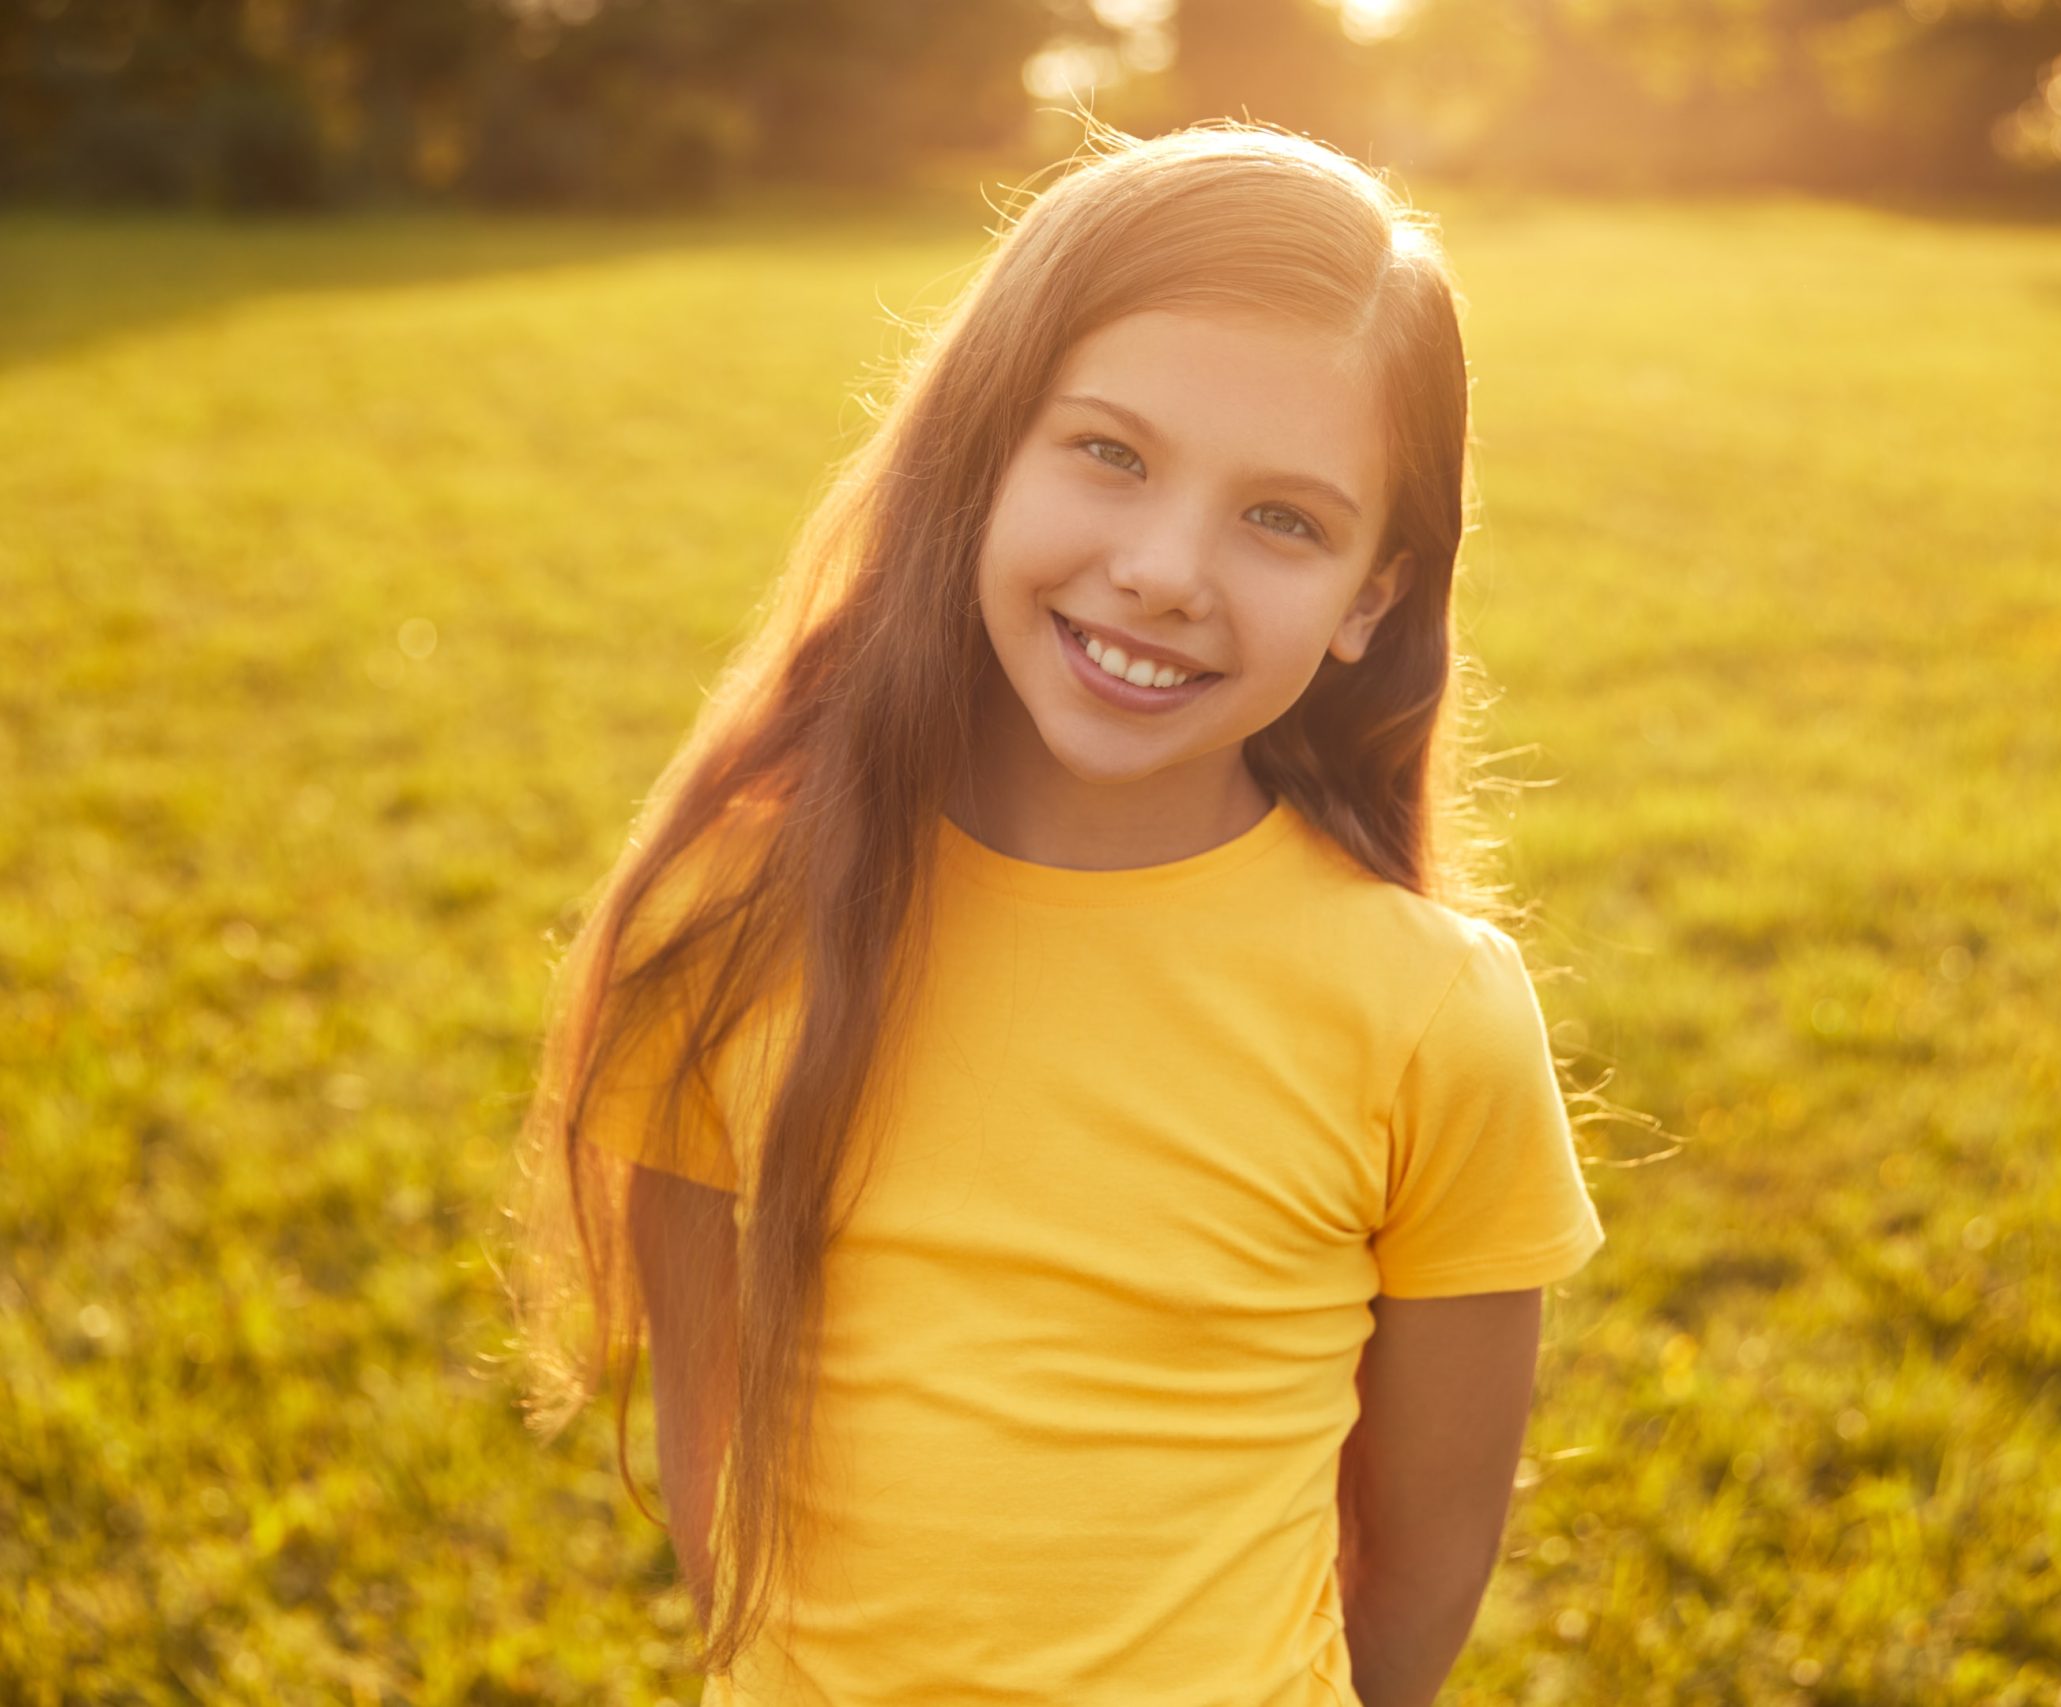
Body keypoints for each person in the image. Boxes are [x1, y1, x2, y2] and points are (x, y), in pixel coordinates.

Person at [502, 116, 1607, 1707]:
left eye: (1283, 519)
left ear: (1373, 594)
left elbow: (1425, 1566)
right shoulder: (740, 916)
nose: (1166, 569)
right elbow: (716, 1470)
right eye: (1110, 452)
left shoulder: (1431, 1014)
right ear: (982, 451)